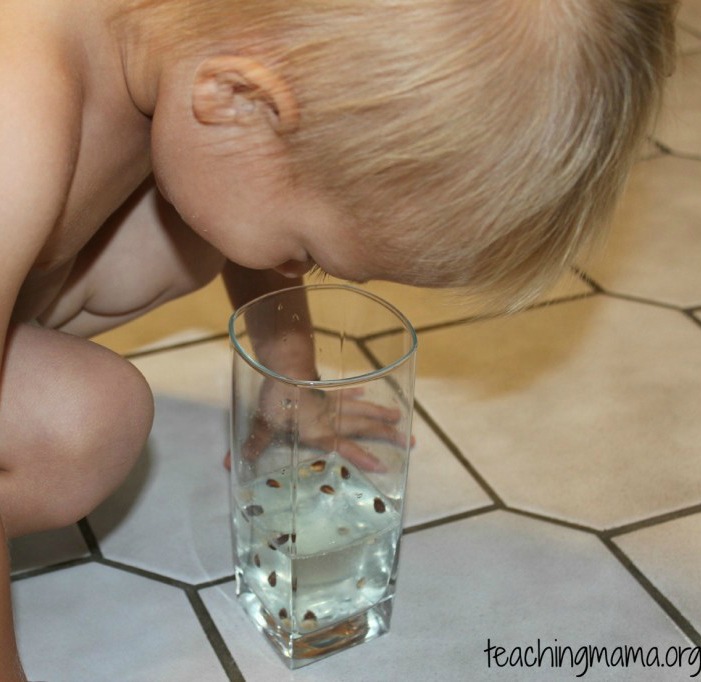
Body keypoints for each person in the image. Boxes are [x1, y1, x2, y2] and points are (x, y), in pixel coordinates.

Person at [0, 0, 677, 677]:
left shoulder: (199, 55)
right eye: (307, 250)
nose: (297, 269)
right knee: (86, 425)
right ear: (238, 99)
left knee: (192, 230)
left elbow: (247, 171)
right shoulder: (17, 121)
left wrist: (290, 381)